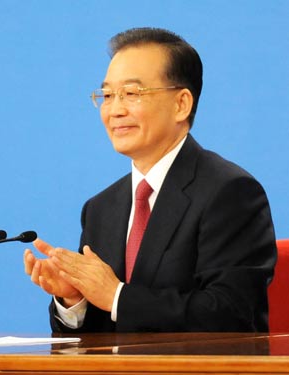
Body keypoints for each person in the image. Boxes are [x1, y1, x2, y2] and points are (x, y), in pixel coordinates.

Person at [24, 27, 277, 332]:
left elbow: (230, 313)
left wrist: (116, 296)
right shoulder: (101, 209)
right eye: (106, 95)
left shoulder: (230, 193)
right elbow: (97, 337)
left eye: (131, 93)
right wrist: (75, 300)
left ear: (181, 104)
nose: (115, 110)